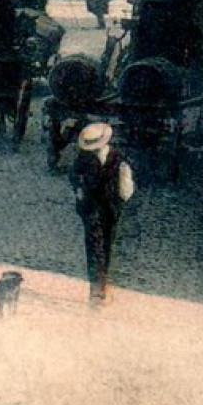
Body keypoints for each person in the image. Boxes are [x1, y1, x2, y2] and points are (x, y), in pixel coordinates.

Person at [70, 122, 134, 305]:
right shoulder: (82, 160)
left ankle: (102, 282)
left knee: (106, 244)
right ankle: (96, 288)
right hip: (90, 210)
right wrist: (80, 192)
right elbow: (74, 177)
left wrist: (119, 202)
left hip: (111, 209)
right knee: (94, 246)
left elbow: (126, 186)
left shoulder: (118, 160)